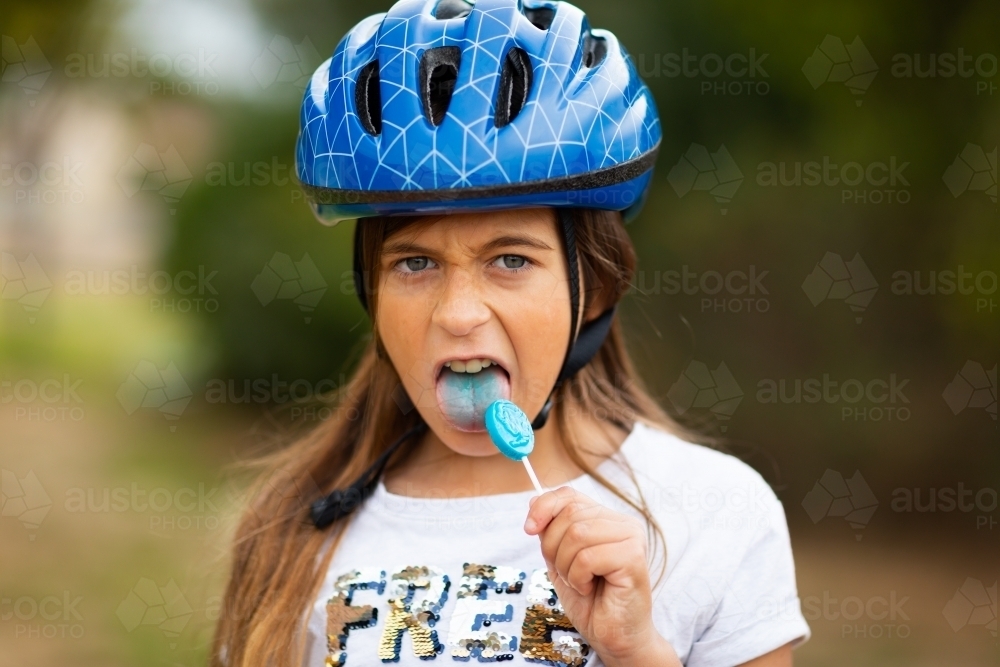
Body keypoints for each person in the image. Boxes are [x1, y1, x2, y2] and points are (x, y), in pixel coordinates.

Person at [212, 1, 810, 665]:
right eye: (415, 262)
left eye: (511, 260)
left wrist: (635, 649)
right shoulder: (295, 523)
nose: (459, 314)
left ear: (598, 288)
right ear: (371, 292)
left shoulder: (714, 512)